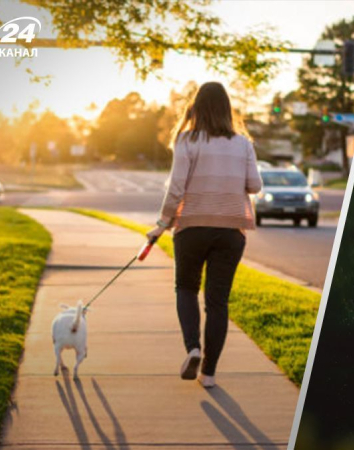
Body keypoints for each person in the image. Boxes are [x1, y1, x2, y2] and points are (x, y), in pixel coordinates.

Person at [147, 81, 262, 388]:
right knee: (217, 302)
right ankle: (209, 374)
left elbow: (176, 188)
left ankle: (193, 348)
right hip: (230, 232)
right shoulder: (243, 144)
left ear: (196, 107)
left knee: (186, 288)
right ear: (227, 109)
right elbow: (255, 186)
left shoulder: (188, 140)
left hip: (192, 228)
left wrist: (162, 222)